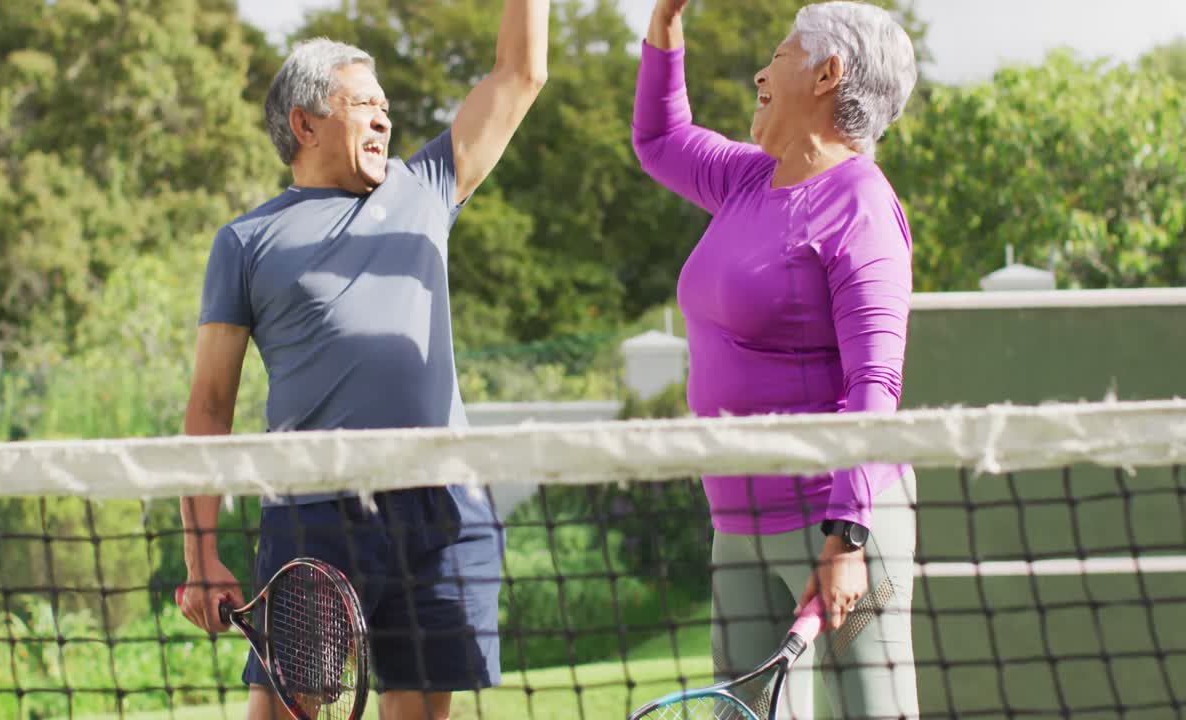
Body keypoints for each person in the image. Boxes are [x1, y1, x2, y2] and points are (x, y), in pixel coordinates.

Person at [176, 2, 549, 718]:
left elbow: (521, 72)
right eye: (364, 105)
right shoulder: (245, 242)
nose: (384, 119)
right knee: (283, 712)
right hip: (315, 516)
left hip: (446, 506)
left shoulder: (428, 188)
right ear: (304, 123)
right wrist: (201, 557)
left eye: (386, 108)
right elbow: (209, 404)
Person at [633, 1, 920, 717]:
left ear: (829, 74)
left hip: (844, 528)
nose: (762, 71)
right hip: (737, 523)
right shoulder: (745, 180)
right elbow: (659, 137)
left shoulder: (862, 204)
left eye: (781, 56)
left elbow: (874, 385)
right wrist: (667, 19)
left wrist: (845, 538)